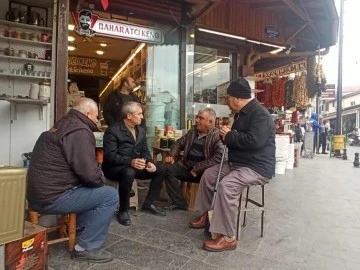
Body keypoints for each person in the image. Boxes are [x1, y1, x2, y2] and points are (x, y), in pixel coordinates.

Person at [27, 98, 118, 263]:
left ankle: (83, 227)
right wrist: (101, 178)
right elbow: (89, 174)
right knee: (109, 195)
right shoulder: (79, 131)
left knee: (93, 188)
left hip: (39, 194)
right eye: (97, 116)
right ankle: (85, 248)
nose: (97, 121)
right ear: (88, 113)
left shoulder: (61, 125)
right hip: (52, 197)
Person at [189, 77, 275, 252]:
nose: (227, 101)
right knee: (209, 175)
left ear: (237, 98)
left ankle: (228, 236)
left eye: (227, 98)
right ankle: (208, 215)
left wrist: (229, 136)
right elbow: (237, 139)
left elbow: (254, 141)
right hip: (239, 162)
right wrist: (226, 136)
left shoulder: (260, 115)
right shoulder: (241, 113)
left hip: (256, 167)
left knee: (227, 186)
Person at [102, 101, 166, 226]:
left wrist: (149, 162)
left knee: (161, 169)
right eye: (140, 114)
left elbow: (145, 151)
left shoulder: (141, 131)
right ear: (129, 116)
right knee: (129, 172)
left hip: (134, 165)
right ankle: (123, 210)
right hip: (115, 168)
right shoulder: (113, 131)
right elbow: (110, 156)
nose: (142, 117)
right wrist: (130, 162)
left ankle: (149, 203)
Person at [164, 108, 224, 210]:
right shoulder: (192, 131)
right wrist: (172, 155)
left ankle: (205, 209)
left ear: (210, 122)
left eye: (200, 118)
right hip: (187, 168)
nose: (196, 120)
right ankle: (180, 203)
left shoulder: (217, 136)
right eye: (197, 117)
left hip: (204, 172)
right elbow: (178, 143)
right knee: (167, 169)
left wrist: (198, 168)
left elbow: (219, 156)